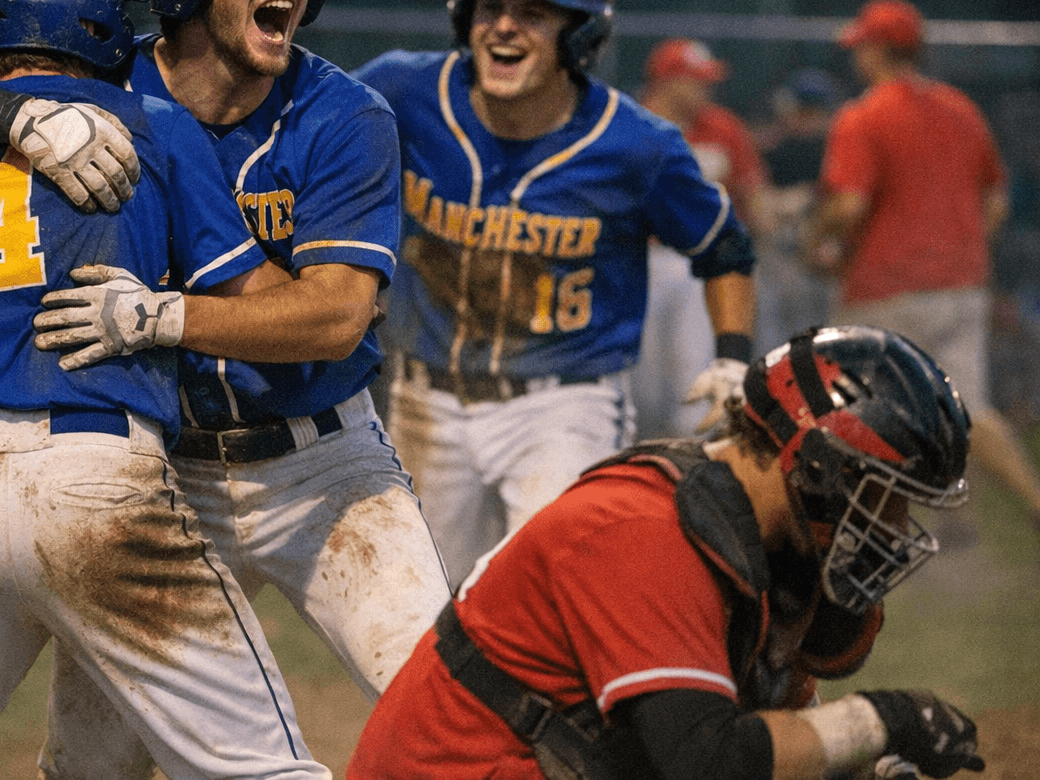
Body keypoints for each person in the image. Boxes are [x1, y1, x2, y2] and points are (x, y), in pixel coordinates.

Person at [0, 0, 452, 780]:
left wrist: (166, 317)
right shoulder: (102, 81)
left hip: (320, 465)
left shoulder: (342, 113)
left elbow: (336, 319)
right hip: (160, 474)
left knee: (449, 698)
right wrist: (14, 116)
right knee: (92, 768)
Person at [349, 325, 986, 780]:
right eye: (887, 496)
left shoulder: (754, 541)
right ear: (818, 468)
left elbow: (778, 736)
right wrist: (884, 720)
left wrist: (863, 761)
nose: (896, 525)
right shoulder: (640, 530)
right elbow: (706, 761)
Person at [350, 0, 758, 583]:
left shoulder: (637, 145)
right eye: (491, 5)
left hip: (563, 402)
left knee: (546, 582)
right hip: (427, 398)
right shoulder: (405, 91)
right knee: (420, 610)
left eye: (533, 12)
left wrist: (733, 358)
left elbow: (725, 250)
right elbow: (306, 122)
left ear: (582, 33)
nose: (505, 26)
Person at [809, 0, 1040, 535]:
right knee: (972, 409)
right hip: (960, 287)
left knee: (856, 414)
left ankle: (856, 535)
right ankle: (1031, 503)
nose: (857, 57)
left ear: (879, 52)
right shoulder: (960, 108)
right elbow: (996, 202)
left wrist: (816, 239)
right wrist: (959, 249)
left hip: (885, 289)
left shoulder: (864, 115)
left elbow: (846, 206)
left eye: (862, 47)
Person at [632, 38, 770, 440]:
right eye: (697, 81)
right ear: (667, 81)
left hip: (702, 266)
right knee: (641, 380)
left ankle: (691, 459)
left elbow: (756, 198)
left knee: (696, 368)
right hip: (640, 261)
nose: (706, 90)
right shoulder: (631, 124)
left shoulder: (723, 127)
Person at [754, 67, 842, 351]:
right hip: (777, 251)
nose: (806, 119)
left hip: (819, 250)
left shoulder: (832, 147)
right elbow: (757, 197)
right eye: (802, 110)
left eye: (813, 111)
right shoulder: (772, 147)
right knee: (773, 338)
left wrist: (808, 198)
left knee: (820, 335)